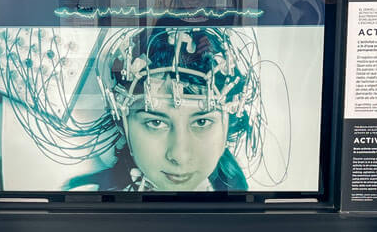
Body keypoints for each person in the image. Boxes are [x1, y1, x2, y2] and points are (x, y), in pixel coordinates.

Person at [66, 25, 264, 191]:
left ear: (228, 124)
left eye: (202, 121)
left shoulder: (249, 211)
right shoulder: (82, 203)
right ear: (122, 124)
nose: (179, 155)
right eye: (156, 122)